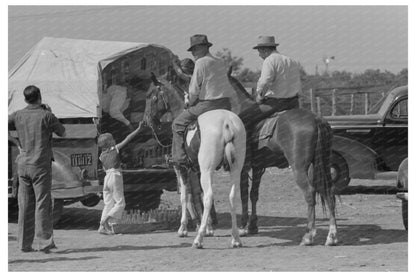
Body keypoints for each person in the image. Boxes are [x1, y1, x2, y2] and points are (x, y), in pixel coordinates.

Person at [8, 85, 66, 253]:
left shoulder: (17, 115)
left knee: (24, 204)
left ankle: (24, 244)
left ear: (25, 99)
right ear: (39, 97)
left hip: (23, 164)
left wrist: (15, 142)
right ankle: (45, 243)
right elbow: (62, 132)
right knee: (42, 203)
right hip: (40, 165)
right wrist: (50, 112)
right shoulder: (46, 116)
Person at [171, 34, 235, 167]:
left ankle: (180, 158)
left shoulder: (201, 62)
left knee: (177, 123)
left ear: (204, 47)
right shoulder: (219, 61)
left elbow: (194, 89)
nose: (193, 52)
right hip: (226, 105)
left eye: (195, 49)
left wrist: (190, 102)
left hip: (208, 105)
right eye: (192, 50)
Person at [238, 35, 301, 127]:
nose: (259, 55)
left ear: (265, 50)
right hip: (294, 104)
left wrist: (259, 97)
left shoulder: (270, 60)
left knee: (242, 119)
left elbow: (265, 82)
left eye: (259, 51)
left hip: (274, 104)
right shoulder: (292, 61)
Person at [97, 122, 144, 235]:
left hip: (107, 178)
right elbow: (128, 139)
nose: (114, 140)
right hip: (115, 176)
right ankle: (105, 221)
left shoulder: (101, 156)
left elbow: (104, 169)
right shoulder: (114, 149)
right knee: (120, 203)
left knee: (108, 203)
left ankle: (101, 227)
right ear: (109, 143)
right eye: (112, 139)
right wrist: (138, 129)